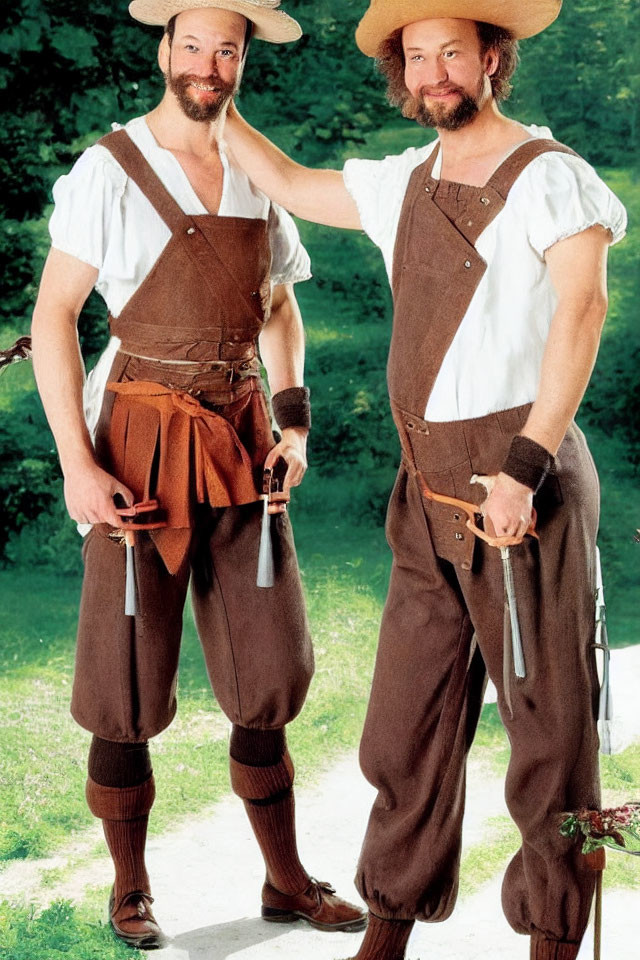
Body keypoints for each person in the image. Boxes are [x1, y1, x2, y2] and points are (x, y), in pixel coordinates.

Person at [221, 1, 628, 958]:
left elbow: (583, 312)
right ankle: (390, 927)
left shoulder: (553, 176)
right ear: (402, 74)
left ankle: (554, 939)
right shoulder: (404, 179)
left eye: (453, 52)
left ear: (493, 58)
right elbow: (282, 177)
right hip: (427, 489)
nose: (434, 71)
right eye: (417, 57)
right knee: (405, 725)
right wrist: (217, 95)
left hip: (522, 488)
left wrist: (525, 470)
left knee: (549, 729)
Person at [30, 0, 366, 949]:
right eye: (194, 44)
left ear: (243, 59)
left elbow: (280, 310)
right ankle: (129, 887)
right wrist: (76, 464)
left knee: (268, 671)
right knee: (124, 676)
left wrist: (292, 423)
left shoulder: (261, 173)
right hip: (137, 441)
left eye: (229, 47)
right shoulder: (109, 168)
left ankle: (285, 878)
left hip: (245, 440)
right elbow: (55, 317)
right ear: (163, 48)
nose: (209, 63)